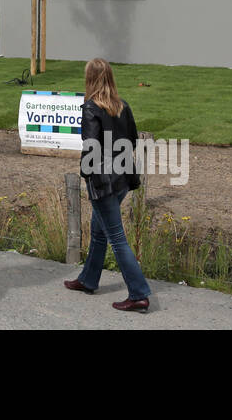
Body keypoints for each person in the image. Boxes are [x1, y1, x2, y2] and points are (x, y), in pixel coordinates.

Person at [65, 58, 151, 312]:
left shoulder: (91, 107)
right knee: (99, 232)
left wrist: (86, 171)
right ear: (110, 77)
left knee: (116, 237)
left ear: (90, 79)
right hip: (123, 177)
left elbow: (90, 145)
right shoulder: (123, 106)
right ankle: (88, 279)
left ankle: (138, 293)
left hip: (103, 181)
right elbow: (132, 140)